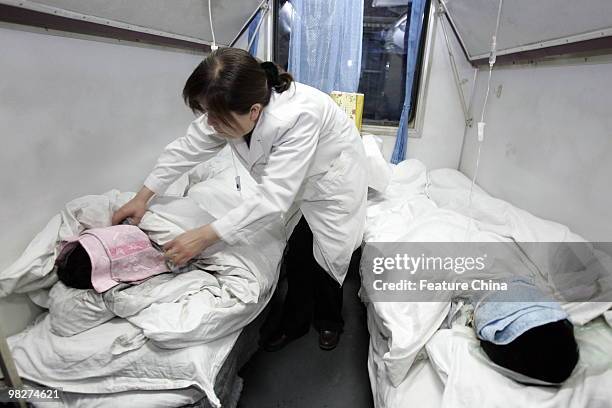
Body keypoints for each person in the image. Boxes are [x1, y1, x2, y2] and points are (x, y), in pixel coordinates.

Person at [112, 47, 368, 351]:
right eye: (207, 114)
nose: (210, 125)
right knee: (297, 253)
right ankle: (295, 322)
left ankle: (329, 322)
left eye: (216, 118)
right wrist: (143, 197)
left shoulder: (299, 115)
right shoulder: (228, 106)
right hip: (291, 184)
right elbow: (185, 149)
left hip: (330, 182)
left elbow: (274, 197)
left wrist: (203, 237)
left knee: (324, 256)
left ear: (255, 111)